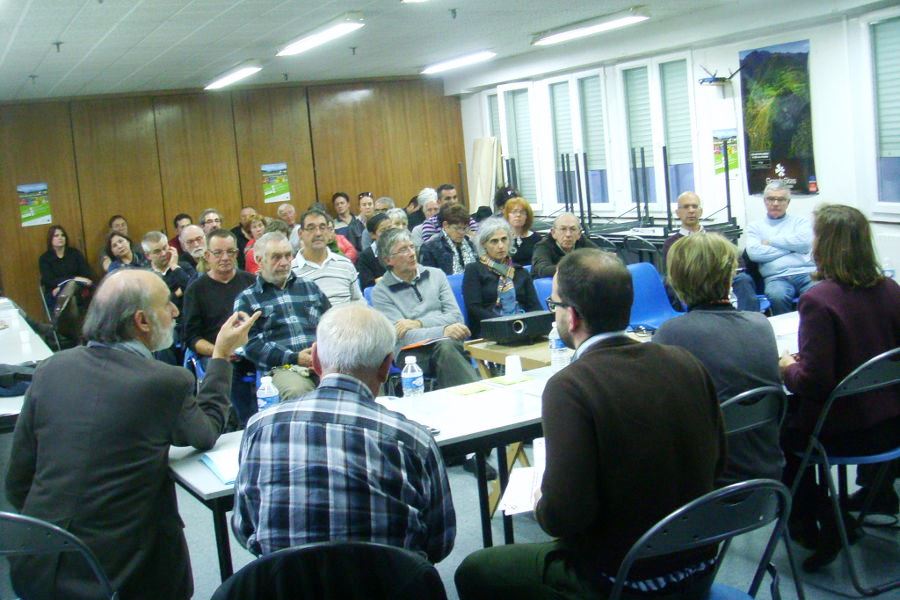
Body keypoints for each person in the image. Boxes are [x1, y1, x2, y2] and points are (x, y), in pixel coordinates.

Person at [455, 248, 725, 600]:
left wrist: (539, 500)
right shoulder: (686, 362)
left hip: (623, 579)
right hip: (698, 565)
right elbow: (720, 464)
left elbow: (564, 518)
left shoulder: (570, 386)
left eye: (554, 306)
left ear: (573, 316)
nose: (554, 316)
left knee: (476, 570)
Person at [6, 268, 259, 600]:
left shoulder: (51, 368)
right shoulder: (164, 381)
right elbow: (206, 431)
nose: (175, 312)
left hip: (36, 562)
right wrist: (221, 355)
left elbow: (18, 481)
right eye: (167, 304)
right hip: (122, 575)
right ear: (142, 321)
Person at [232, 303, 456, 561]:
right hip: (392, 587)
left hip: (286, 588)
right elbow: (439, 544)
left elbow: (245, 529)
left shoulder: (260, 427)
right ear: (387, 367)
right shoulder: (414, 441)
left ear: (315, 359)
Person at [778, 204, 900, 571]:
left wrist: (787, 368)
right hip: (891, 428)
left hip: (845, 433)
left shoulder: (817, 300)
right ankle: (878, 493)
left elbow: (814, 385)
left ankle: (823, 522)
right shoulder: (892, 290)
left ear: (825, 245)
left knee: (783, 431)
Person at [654, 232, 783, 485]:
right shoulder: (760, 324)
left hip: (706, 490)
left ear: (677, 278)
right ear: (730, 274)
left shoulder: (671, 334)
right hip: (768, 483)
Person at [372, 228, 478, 391]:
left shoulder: (436, 275)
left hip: (449, 343)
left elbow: (456, 318)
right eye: (403, 250)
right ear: (388, 260)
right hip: (411, 355)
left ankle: (466, 400)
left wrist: (419, 323)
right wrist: (443, 331)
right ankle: (475, 395)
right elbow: (404, 337)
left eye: (411, 247)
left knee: (447, 348)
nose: (411, 253)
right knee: (447, 349)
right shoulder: (381, 292)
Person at [235, 232, 332, 402]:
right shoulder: (247, 299)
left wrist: (319, 354)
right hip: (283, 367)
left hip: (323, 361)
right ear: (259, 260)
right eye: (276, 257)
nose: (285, 262)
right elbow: (251, 346)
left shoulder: (310, 288)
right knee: (298, 393)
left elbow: (332, 326)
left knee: (358, 380)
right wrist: (295, 358)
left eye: (288, 255)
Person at [182, 229, 258, 426]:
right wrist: (220, 351)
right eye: (218, 253)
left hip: (253, 350)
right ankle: (241, 426)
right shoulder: (196, 290)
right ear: (207, 256)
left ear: (237, 254)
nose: (225, 258)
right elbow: (191, 337)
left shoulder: (251, 282)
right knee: (229, 376)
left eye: (230, 252)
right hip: (215, 353)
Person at [662, 192, 758, 311]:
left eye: (695, 206)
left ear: (701, 211)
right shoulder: (672, 243)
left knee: (743, 279)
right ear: (678, 213)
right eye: (686, 207)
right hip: (693, 285)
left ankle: (747, 321)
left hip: (721, 281)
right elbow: (674, 274)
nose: (691, 211)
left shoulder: (716, 237)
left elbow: (739, 263)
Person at [746, 180, 816, 315]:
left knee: (818, 294)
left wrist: (770, 241)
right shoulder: (755, 227)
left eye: (781, 199)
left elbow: (805, 244)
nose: (776, 203)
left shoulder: (800, 222)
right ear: (765, 201)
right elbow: (754, 254)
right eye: (771, 199)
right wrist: (791, 247)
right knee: (778, 297)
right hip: (776, 278)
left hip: (806, 273)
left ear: (788, 202)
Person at [463, 218, 541, 338]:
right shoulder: (474, 270)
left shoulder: (520, 272)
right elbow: (474, 309)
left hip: (523, 326)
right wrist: (504, 323)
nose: (500, 245)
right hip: (491, 330)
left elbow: (534, 306)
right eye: (494, 241)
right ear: (483, 244)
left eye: (504, 239)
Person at [291, 209, 363, 306]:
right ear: (300, 234)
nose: (318, 233)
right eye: (311, 228)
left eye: (322, 227)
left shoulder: (345, 265)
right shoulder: (291, 271)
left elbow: (358, 302)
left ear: (329, 232)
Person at [143, 231, 194, 364]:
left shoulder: (184, 267)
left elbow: (193, 291)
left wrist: (174, 267)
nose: (164, 253)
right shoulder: (145, 276)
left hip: (185, 321)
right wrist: (175, 294)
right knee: (162, 340)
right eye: (157, 251)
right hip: (160, 324)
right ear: (148, 255)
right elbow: (152, 302)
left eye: (166, 247)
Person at [38, 225, 93, 309]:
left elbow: (86, 273)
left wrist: (70, 282)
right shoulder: (45, 258)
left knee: (73, 289)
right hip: (54, 291)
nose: (60, 237)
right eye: (56, 236)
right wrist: (74, 279)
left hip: (78, 289)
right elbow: (49, 280)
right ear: (50, 239)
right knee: (71, 290)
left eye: (62, 235)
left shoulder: (74, 253)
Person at [531, 213, 598, 278]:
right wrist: (577, 268)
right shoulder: (543, 246)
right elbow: (543, 270)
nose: (568, 234)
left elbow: (603, 258)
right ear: (553, 233)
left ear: (579, 234)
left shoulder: (582, 242)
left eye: (573, 229)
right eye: (563, 229)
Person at [419, 204, 478, 276]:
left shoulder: (470, 245)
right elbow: (430, 278)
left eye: (464, 228)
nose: (462, 233)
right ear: (445, 225)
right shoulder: (429, 248)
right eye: (457, 228)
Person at [356, 212, 394, 291]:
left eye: (390, 228)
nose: (388, 233)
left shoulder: (401, 248)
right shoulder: (365, 256)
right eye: (383, 230)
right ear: (372, 235)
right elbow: (367, 284)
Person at [502, 196, 542, 266]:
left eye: (522, 212)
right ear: (507, 215)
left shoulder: (537, 238)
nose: (518, 215)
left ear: (527, 216)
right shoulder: (502, 239)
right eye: (514, 212)